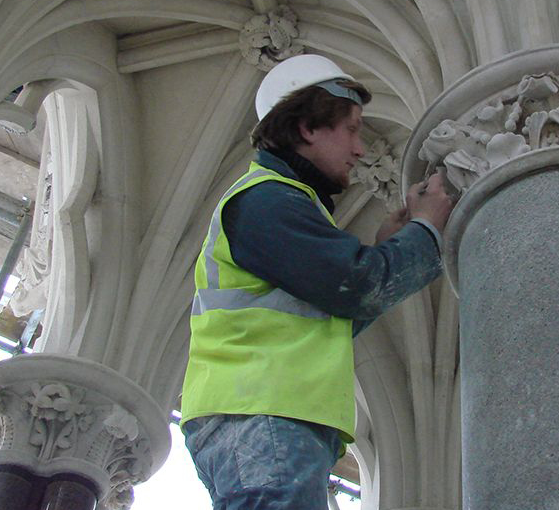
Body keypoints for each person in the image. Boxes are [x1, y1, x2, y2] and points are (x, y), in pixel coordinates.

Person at [179, 54, 453, 509]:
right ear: (308, 128)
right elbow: (356, 287)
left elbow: (334, 312)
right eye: (352, 128)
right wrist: (424, 231)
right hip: (263, 411)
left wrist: (392, 245)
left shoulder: (282, 202)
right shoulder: (266, 199)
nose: (361, 148)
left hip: (263, 414)